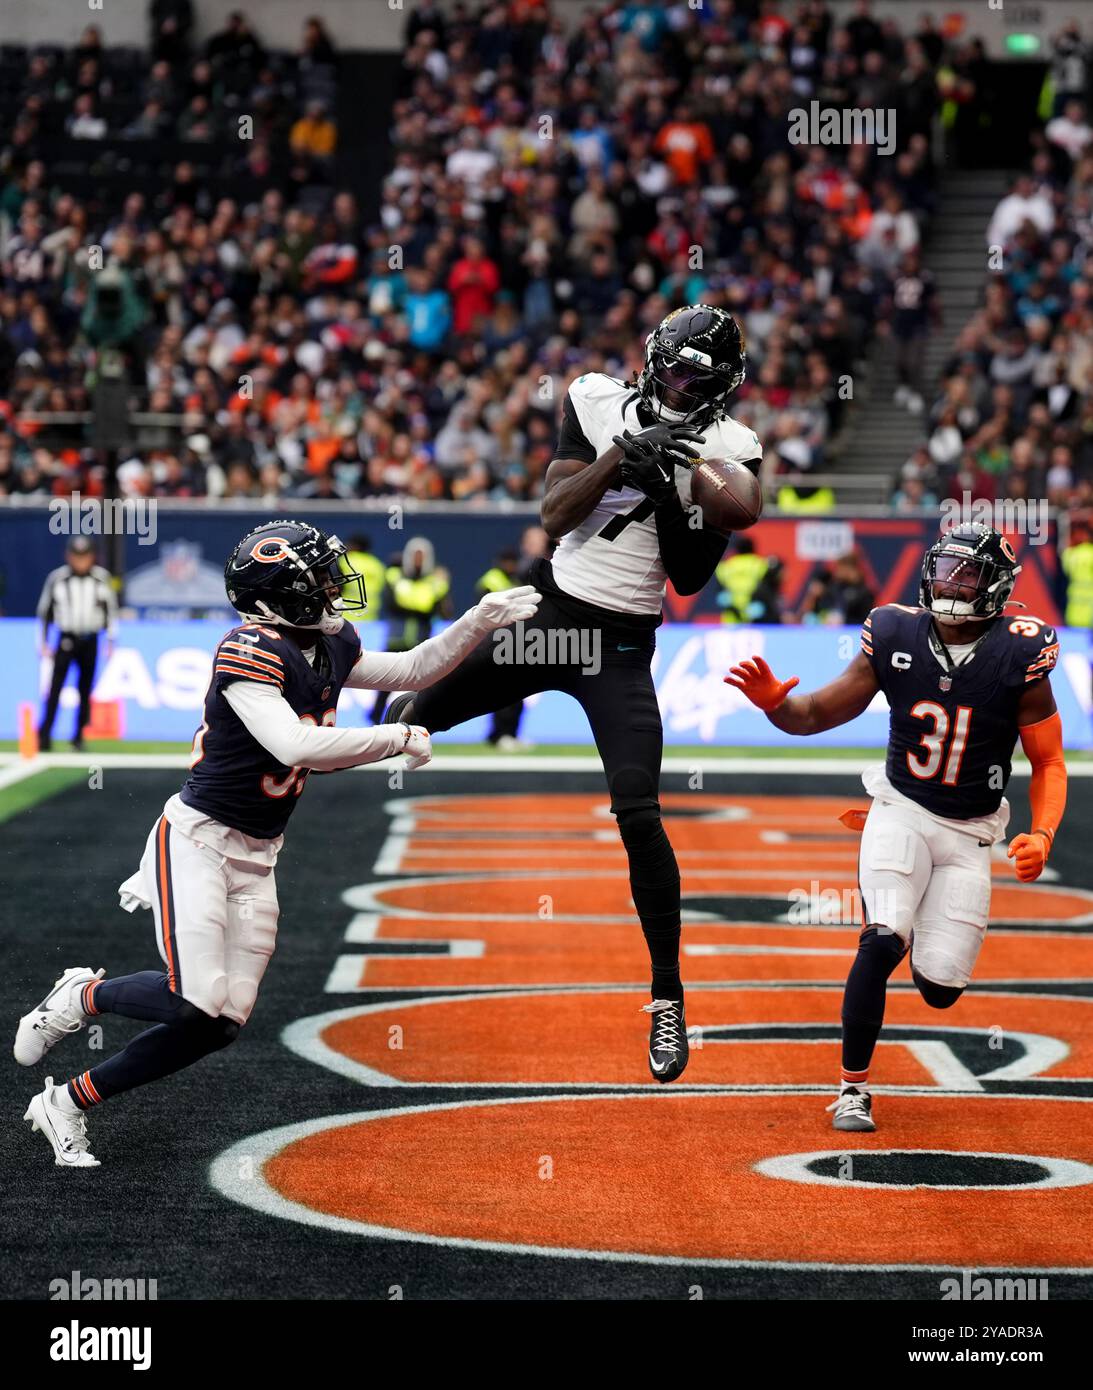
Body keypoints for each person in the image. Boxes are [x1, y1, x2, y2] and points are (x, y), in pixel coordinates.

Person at [16, 520, 539, 1166]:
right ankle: (81, 996)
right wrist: (396, 739)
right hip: (200, 840)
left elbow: (408, 667)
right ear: (277, 594)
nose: (330, 586)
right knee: (195, 997)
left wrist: (478, 621)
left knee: (221, 1023)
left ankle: (66, 1102)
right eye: (316, 578)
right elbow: (296, 746)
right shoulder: (249, 650)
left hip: (260, 853)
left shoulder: (328, 642)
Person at [383, 305, 763, 1081]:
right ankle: (246, 789)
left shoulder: (730, 449)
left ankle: (666, 997)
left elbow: (689, 577)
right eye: (668, 365)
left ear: (720, 387)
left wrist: (664, 485)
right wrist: (622, 458)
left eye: (693, 375)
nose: (673, 382)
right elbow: (555, 512)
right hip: (548, 616)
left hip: (619, 646)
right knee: (408, 715)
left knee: (638, 808)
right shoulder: (596, 400)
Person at [725, 524, 1067, 1132]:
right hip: (901, 809)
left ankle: (921, 936)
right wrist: (777, 705)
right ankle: (852, 1089)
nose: (949, 583)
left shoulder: (1022, 650)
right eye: (944, 569)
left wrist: (1042, 834)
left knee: (940, 988)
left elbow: (1048, 762)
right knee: (882, 936)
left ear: (998, 586)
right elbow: (814, 715)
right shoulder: (894, 632)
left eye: (967, 574)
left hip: (970, 831)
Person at [36, 537, 117, 752]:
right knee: (55, 689)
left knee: (85, 689)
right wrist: (43, 642)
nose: (81, 561)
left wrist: (110, 640)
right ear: (69, 556)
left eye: (85, 556)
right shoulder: (58, 578)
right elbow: (44, 612)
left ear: (92, 557)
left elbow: (111, 611)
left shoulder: (101, 579)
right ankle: (44, 735)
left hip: (90, 640)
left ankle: (78, 735)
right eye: (77, 556)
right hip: (66, 639)